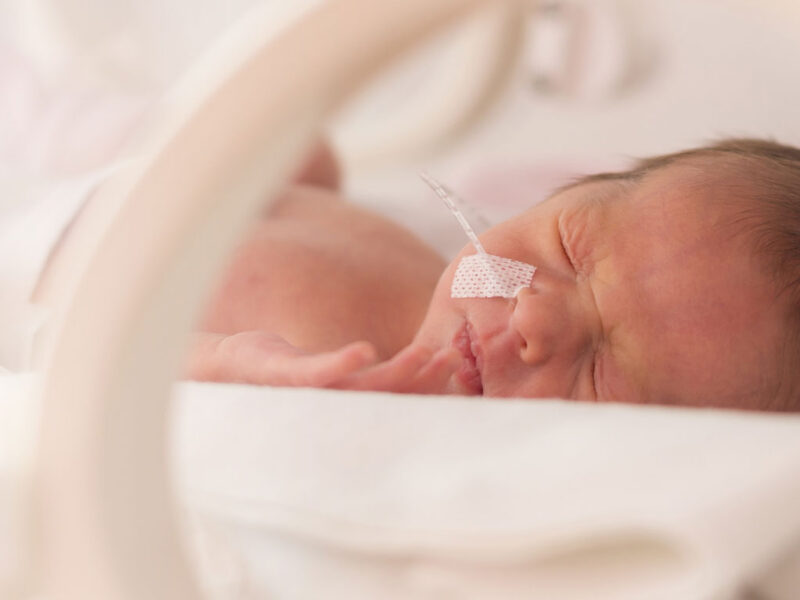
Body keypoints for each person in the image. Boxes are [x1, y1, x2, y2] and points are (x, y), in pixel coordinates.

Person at [180, 138, 800, 412]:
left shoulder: (332, 380)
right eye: (571, 247)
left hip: (103, 266)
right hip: (168, 184)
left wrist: (228, 363)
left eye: (603, 374)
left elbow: (103, 374)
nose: (532, 313)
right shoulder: (438, 251)